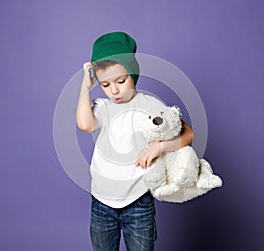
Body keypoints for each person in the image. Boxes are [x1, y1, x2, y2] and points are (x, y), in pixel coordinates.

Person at [76, 31, 194, 251]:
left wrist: (160, 146)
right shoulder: (103, 107)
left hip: (138, 203)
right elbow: (84, 124)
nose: (115, 90)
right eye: (105, 84)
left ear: (133, 74)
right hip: (102, 202)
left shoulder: (150, 105)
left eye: (121, 80)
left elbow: (188, 134)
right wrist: (85, 85)